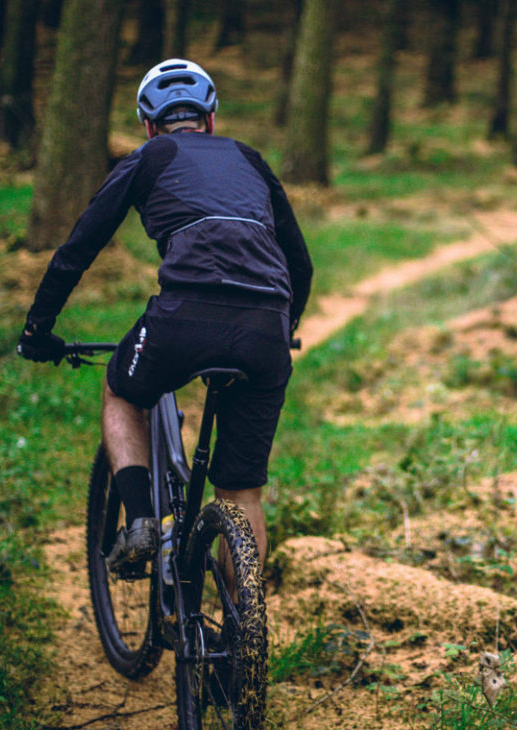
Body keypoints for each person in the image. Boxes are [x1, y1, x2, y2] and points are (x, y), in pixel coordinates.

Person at [17, 58, 312, 572]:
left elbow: (78, 248)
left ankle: (141, 523)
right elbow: (300, 265)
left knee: (121, 389)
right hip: (266, 325)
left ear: (149, 125)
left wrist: (38, 328)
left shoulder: (149, 156)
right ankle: (242, 635)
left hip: (183, 319)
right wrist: (284, 329)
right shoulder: (250, 159)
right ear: (211, 120)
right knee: (241, 492)